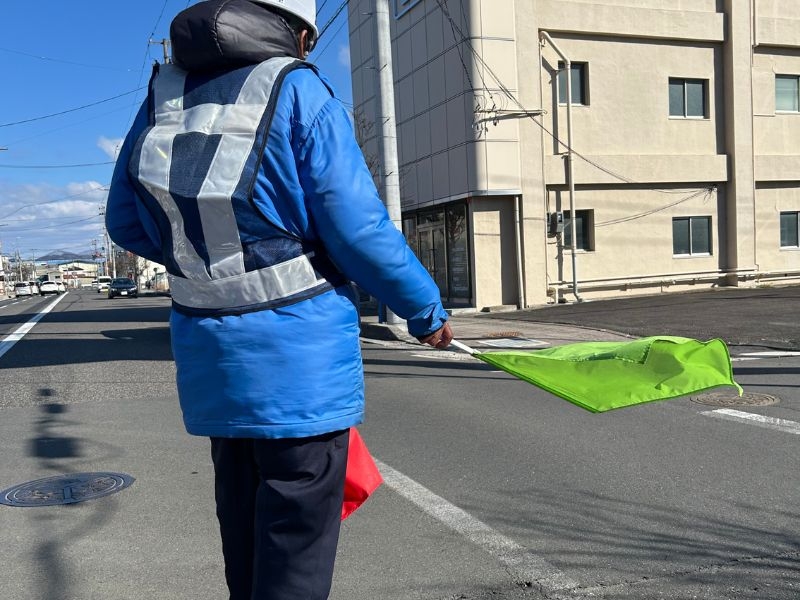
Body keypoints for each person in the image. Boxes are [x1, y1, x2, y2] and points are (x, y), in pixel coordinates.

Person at [105, 0, 453, 598]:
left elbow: (126, 223)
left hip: (213, 369)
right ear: (294, 31)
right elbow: (358, 229)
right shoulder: (296, 88)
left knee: (244, 542)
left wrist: (210, 261)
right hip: (300, 370)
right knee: (294, 552)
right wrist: (425, 313)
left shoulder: (164, 97)